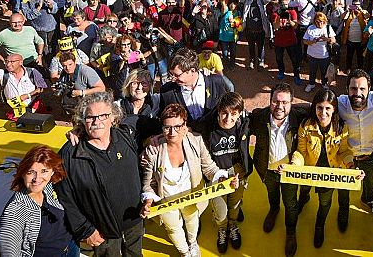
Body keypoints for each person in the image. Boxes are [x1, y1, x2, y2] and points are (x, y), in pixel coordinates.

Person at [139, 103, 239, 257]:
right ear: (162, 127)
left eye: (177, 126)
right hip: (167, 202)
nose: (172, 132)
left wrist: (225, 177)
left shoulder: (196, 140)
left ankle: (192, 243)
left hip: (192, 196)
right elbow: (148, 183)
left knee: (192, 221)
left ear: (185, 125)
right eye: (167, 127)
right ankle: (184, 251)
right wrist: (148, 202)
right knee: (173, 228)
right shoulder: (153, 150)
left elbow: (209, 168)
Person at [56, 92, 145, 257]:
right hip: (102, 233)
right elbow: (65, 198)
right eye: (90, 117)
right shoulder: (69, 154)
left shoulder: (126, 136)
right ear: (83, 121)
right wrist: (85, 230)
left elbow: (156, 123)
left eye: (103, 116)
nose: (97, 122)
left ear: (113, 118)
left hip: (135, 221)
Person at [289, 88, 358, 248]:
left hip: (330, 172)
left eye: (328, 108)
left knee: (325, 203)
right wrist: (295, 165)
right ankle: (304, 198)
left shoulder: (341, 127)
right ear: (314, 108)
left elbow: (344, 151)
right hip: (309, 169)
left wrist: (351, 165)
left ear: (334, 109)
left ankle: (319, 225)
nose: (323, 112)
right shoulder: (305, 126)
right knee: (304, 189)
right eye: (319, 107)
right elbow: (301, 151)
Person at [248, 83, 309, 257]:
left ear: (292, 103)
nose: (279, 107)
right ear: (270, 101)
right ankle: (274, 210)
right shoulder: (259, 117)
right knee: (272, 194)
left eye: (285, 102)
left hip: (290, 173)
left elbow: (320, 109)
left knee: (291, 204)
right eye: (275, 102)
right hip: (267, 171)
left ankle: (290, 232)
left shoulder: (300, 117)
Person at [0, 145, 79, 257]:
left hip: (71, 247)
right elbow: (8, 250)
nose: (37, 178)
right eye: (31, 172)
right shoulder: (15, 211)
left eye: (44, 171)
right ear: (22, 174)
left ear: (53, 172)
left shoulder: (48, 187)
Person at [200, 93, 252, 253]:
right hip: (215, 173)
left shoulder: (244, 124)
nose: (228, 118)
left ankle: (233, 225)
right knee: (220, 209)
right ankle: (222, 229)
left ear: (239, 114)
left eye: (234, 114)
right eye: (224, 113)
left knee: (235, 205)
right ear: (218, 111)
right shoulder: (206, 127)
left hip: (238, 171)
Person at [161, 48, 228, 132]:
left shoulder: (216, 82)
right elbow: (164, 120)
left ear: (192, 70)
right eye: (171, 74)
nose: (173, 79)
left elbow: (225, 108)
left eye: (177, 75)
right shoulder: (167, 91)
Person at [303, 12, 336, 93]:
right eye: (317, 21)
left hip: (324, 55)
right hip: (312, 55)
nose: (320, 23)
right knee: (312, 71)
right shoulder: (310, 28)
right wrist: (312, 42)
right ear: (315, 21)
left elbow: (333, 40)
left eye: (322, 21)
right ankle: (311, 84)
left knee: (324, 71)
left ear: (324, 21)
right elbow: (304, 41)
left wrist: (326, 39)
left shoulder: (328, 28)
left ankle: (324, 84)